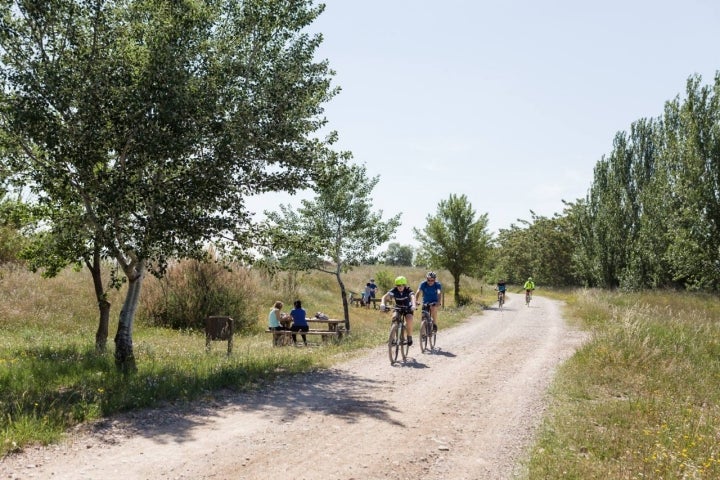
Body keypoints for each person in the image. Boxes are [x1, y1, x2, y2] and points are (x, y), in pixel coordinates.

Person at [380, 276, 416, 346]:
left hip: (408, 308)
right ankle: (392, 338)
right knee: (394, 317)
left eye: (402, 285)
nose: (400, 287)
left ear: (404, 285)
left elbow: (412, 297)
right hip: (398, 307)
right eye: (398, 285)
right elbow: (384, 297)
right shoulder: (394, 290)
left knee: (409, 320)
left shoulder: (408, 290)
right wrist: (382, 303)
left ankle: (409, 336)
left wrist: (413, 305)